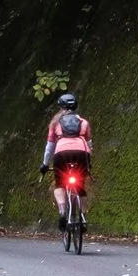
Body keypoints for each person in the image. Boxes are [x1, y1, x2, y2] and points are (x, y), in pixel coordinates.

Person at [41, 91, 91, 228]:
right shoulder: (83, 123)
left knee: (59, 184)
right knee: (81, 187)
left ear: (60, 107)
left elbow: (49, 147)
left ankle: (63, 211)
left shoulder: (55, 123)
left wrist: (45, 164)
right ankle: (83, 217)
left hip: (61, 154)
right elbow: (89, 144)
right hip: (82, 153)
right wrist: (88, 163)